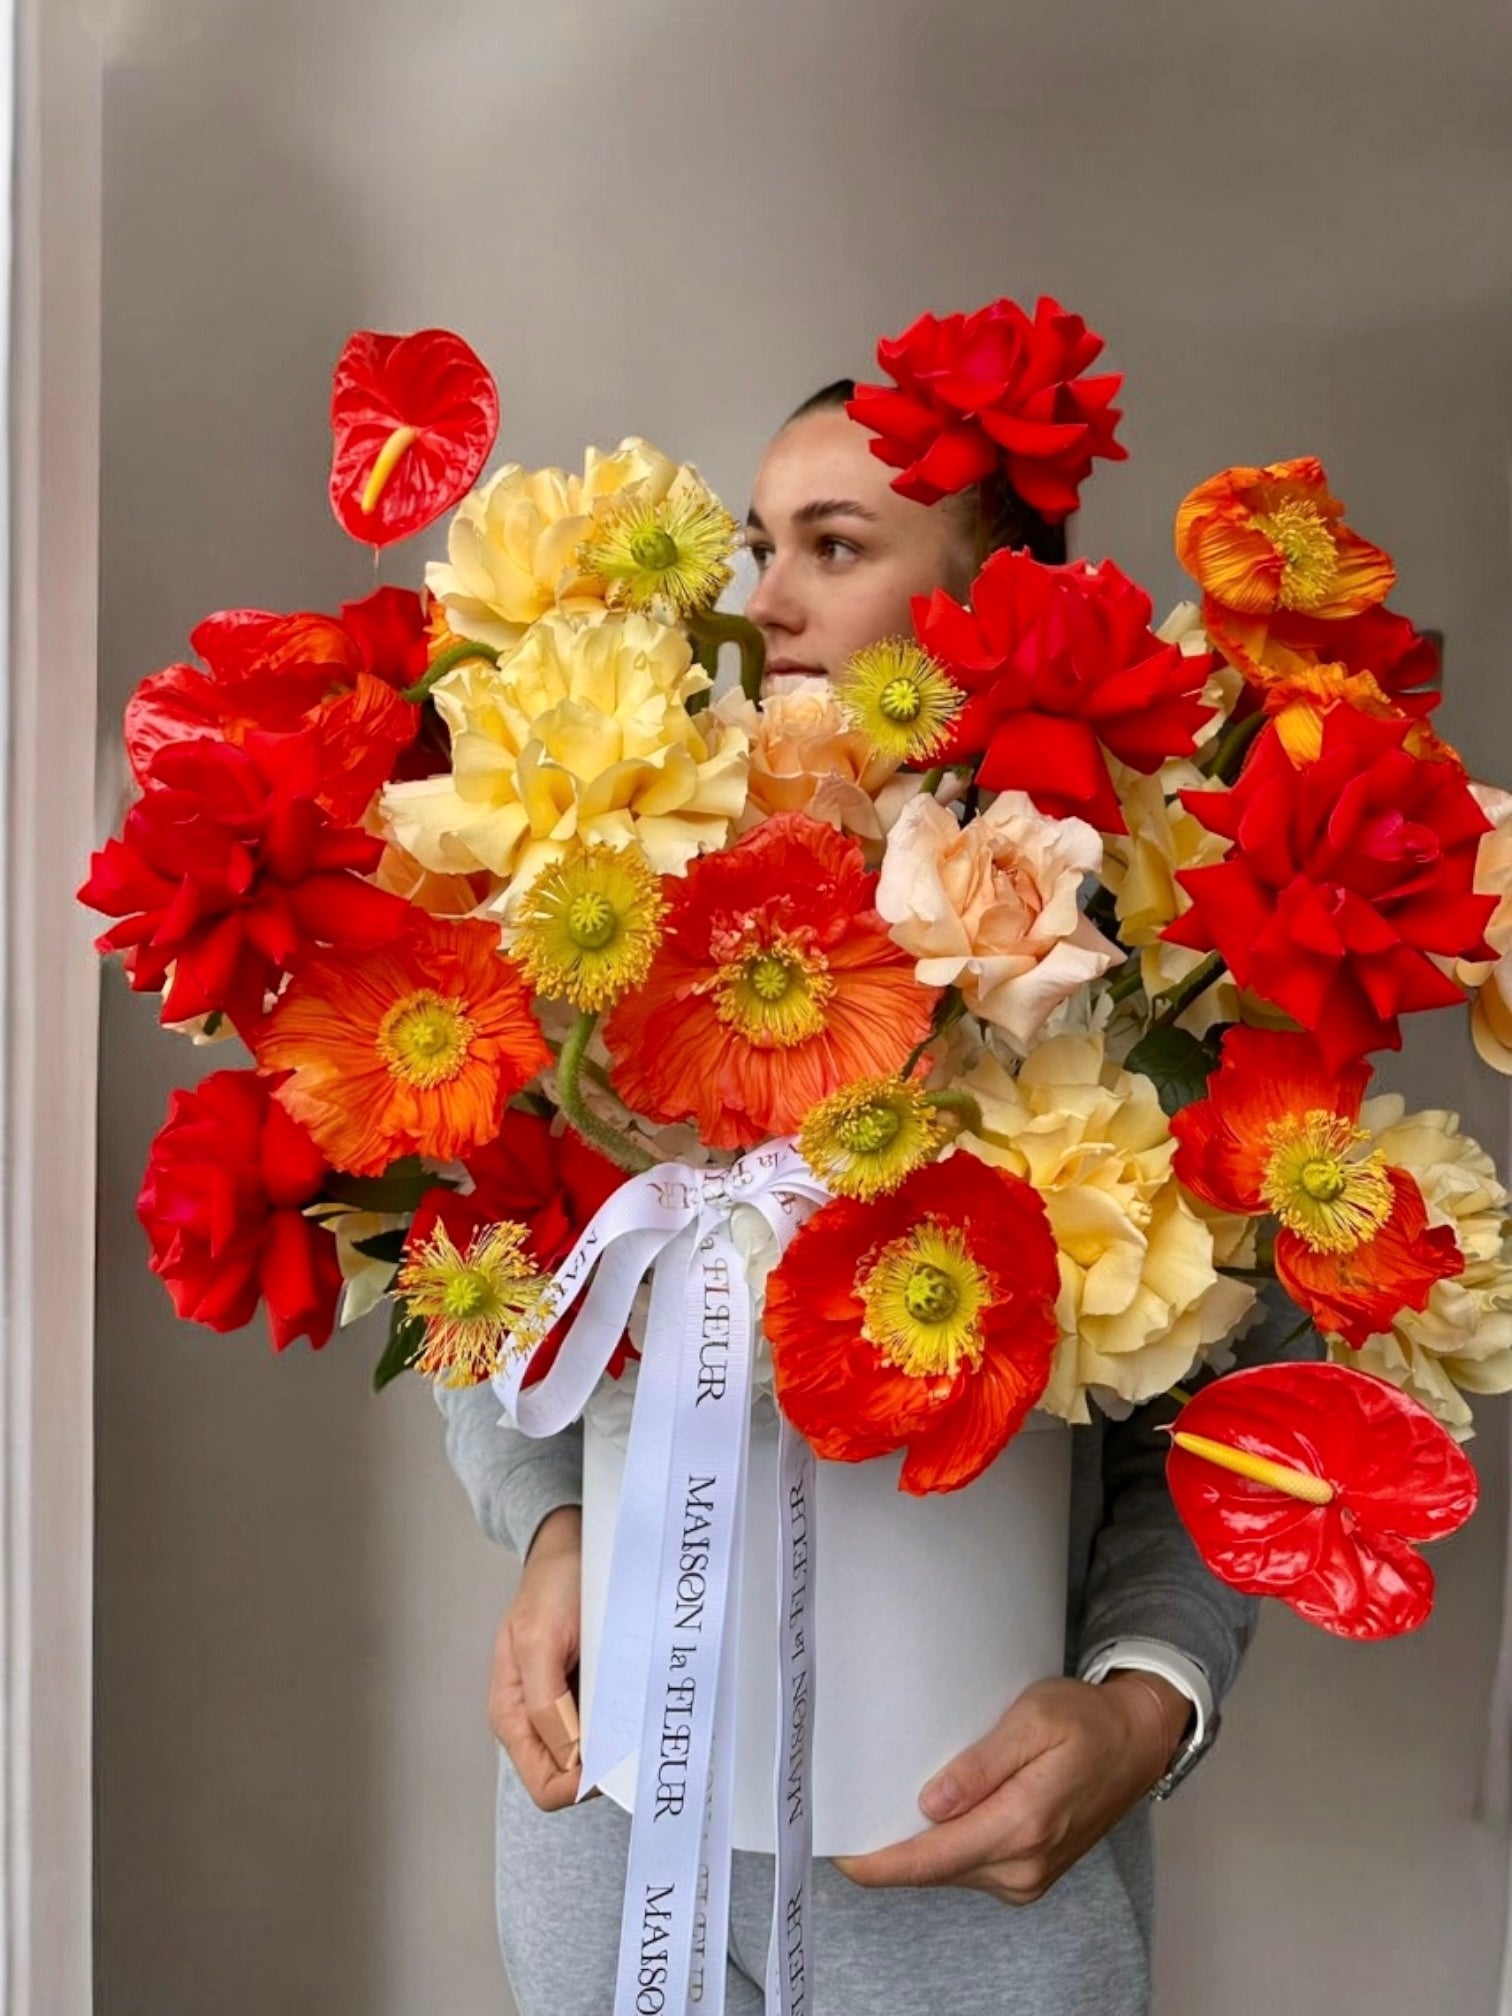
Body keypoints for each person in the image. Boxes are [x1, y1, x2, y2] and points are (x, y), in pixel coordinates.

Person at [433, 381, 1303, 2015]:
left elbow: (1244, 1410)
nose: (765, 601)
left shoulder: (1161, 957)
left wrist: (1144, 1703)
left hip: (971, 1861)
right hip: (609, 1824)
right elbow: (491, 1263)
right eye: (763, 546)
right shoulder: (626, 897)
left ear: (991, 598)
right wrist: (551, 1527)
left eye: (835, 545)